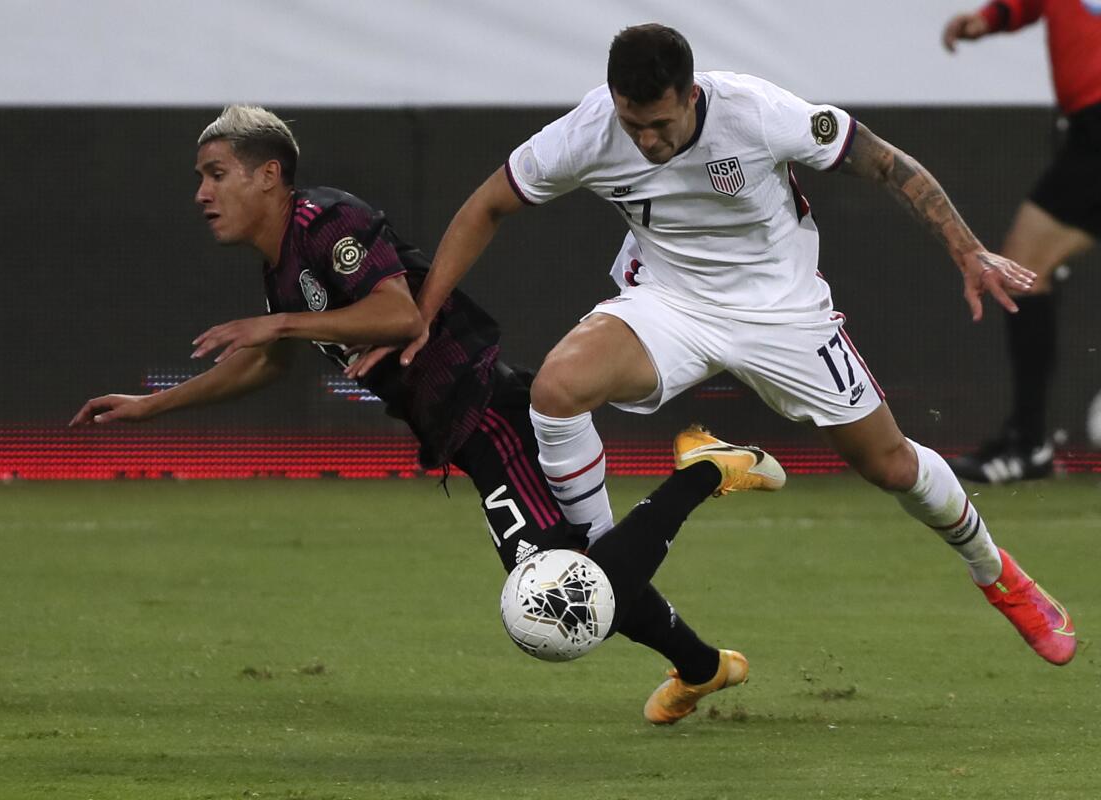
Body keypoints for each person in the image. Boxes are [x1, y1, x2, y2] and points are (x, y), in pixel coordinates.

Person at [354, 24, 1077, 666]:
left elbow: (887, 164)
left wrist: (968, 250)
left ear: (691, 94)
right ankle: (602, 567)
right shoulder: (589, 130)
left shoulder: (757, 112)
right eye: (634, 124)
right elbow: (488, 204)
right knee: (557, 389)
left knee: (889, 466)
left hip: (782, 313)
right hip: (671, 303)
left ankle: (998, 574)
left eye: (660, 124)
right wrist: (425, 311)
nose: (646, 140)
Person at [68, 104, 785, 725]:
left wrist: (277, 323)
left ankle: (701, 475)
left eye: (215, 173)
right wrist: (153, 406)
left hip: (490, 416)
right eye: (200, 176)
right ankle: (700, 666)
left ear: (268, 175)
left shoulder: (326, 221)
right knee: (580, 583)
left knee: (557, 598)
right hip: (468, 434)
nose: (201, 192)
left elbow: (397, 311)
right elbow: (265, 363)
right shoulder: (283, 266)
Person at [941, 1, 1101, 483]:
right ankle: (1027, 439)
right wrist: (992, 19)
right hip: (1087, 132)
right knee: (1025, 269)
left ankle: (1028, 441)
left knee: (1022, 268)